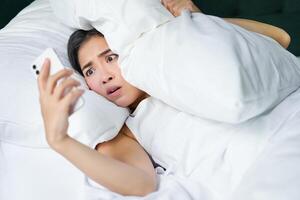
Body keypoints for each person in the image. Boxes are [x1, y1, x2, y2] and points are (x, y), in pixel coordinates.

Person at [37, 0, 291, 197]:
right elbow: (140, 183)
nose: (104, 76)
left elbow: (280, 38)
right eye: (90, 70)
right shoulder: (126, 132)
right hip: (263, 167)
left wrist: (200, 22)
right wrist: (60, 141)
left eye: (110, 58)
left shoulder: (183, 65)